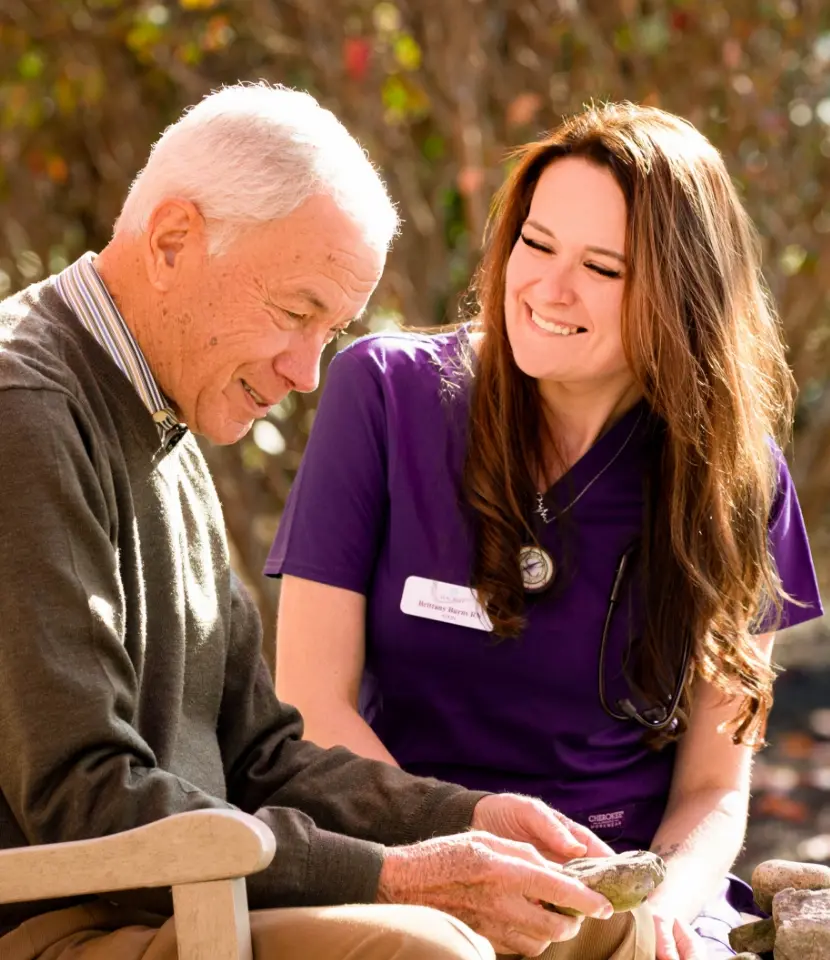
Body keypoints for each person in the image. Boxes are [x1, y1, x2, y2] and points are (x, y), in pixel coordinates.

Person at [0, 82, 641, 960]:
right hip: (61, 921)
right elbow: (85, 803)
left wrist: (468, 819)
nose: (306, 373)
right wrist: (397, 876)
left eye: (331, 331)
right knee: (431, 949)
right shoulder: (23, 414)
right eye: (297, 313)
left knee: (606, 928)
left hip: (192, 896)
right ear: (174, 240)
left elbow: (259, 753)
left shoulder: (163, 414)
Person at [268, 102, 824, 960]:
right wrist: (452, 860)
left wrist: (663, 907)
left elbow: (715, 785)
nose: (548, 289)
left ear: (683, 295)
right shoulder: (382, 394)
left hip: (623, 893)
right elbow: (312, 706)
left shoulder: (735, 479)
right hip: (411, 875)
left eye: (602, 267)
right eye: (536, 243)